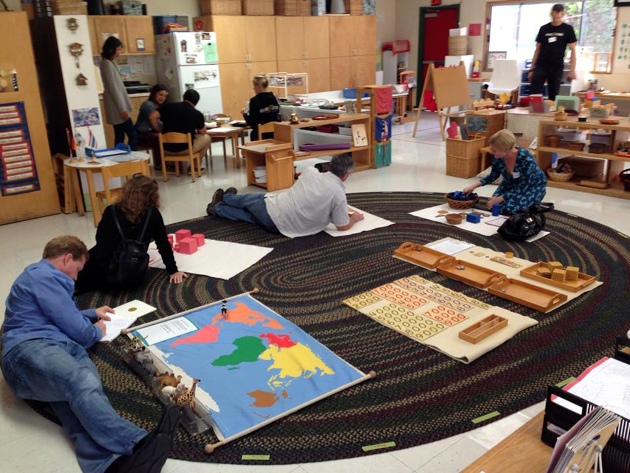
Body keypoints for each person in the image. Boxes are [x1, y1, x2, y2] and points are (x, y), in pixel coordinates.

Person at [1, 236, 181, 473]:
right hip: (29, 348)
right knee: (80, 380)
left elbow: (59, 313)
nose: (76, 278)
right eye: (77, 270)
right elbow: (82, 333)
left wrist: (91, 313)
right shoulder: (41, 275)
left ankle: (109, 465)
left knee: (79, 399)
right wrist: (95, 331)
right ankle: (135, 442)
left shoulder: (43, 281)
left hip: (56, 347)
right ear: (67, 258)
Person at [206, 154, 364, 237]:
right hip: (281, 228)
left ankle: (226, 198)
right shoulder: (338, 194)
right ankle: (218, 208)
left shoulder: (310, 172)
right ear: (345, 175)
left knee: (252, 200)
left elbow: (314, 172)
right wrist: (355, 218)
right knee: (250, 217)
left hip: (274, 210)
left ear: (330, 166)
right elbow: (342, 225)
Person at [76, 175, 187, 292]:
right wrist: (173, 270)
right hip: (133, 271)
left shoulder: (111, 210)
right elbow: (163, 243)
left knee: (81, 264)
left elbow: (100, 239)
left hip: (107, 271)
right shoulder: (152, 214)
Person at [463, 130, 546, 215]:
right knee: (493, 207)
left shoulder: (526, 158)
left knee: (508, 209)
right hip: (510, 183)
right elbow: (493, 176)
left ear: (506, 149)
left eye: (494, 150)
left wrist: (500, 198)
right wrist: (473, 186)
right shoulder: (497, 157)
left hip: (531, 186)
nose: (491, 152)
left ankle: (533, 204)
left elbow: (523, 186)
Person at [528, 4, 577, 101]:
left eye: (558, 17)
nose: (556, 19)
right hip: (542, 64)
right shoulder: (544, 28)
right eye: (554, 17)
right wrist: (532, 68)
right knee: (534, 92)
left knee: (553, 93)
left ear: (562, 14)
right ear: (551, 14)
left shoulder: (568, 29)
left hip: (556, 65)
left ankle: (551, 109)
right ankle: (534, 109)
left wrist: (572, 70)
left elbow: (573, 50)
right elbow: (537, 49)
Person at [149, 88, 211, 165]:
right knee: (207, 138)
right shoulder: (196, 113)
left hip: (166, 148)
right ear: (196, 102)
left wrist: (160, 130)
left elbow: (152, 117)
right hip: (185, 149)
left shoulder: (167, 106)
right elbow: (202, 132)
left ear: (184, 98)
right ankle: (195, 166)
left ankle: (172, 164)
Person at [100, 36, 137, 150]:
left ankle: (120, 158)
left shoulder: (109, 63)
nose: (119, 52)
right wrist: (122, 109)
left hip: (117, 108)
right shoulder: (106, 64)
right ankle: (132, 157)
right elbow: (113, 88)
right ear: (111, 49)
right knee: (132, 135)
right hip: (117, 109)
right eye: (119, 49)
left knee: (120, 136)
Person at [136, 84, 168, 170]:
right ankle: (159, 164)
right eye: (160, 95)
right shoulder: (147, 105)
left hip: (151, 132)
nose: (163, 98)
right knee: (159, 138)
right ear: (154, 94)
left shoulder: (161, 106)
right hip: (142, 134)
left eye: (165, 96)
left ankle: (169, 162)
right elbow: (155, 121)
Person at [242, 74, 280, 141]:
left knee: (253, 133)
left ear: (258, 85)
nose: (253, 88)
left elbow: (251, 122)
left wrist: (245, 113)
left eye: (254, 85)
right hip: (275, 134)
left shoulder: (254, 101)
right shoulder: (274, 97)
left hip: (260, 136)